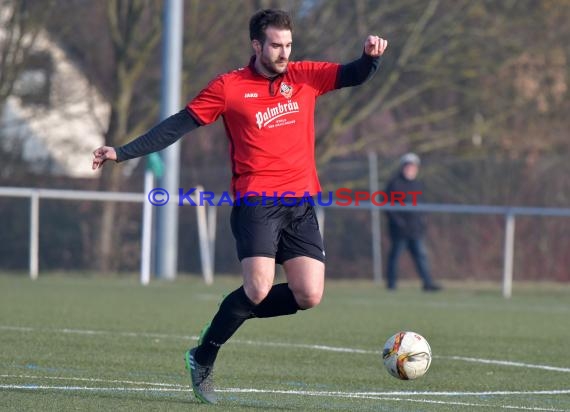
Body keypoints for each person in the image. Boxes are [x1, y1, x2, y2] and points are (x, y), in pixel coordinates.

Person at [92, 9, 388, 404]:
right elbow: (177, 125)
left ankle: (231, 311)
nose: (284, 53)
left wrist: (371, 58)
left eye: (288, 45)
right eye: (276, 45)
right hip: (256, 201)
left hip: (299, 203)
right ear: (256, 45)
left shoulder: (304, 75)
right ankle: (204, 356)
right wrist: (122, 152)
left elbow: (353, 74)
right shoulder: (230, 87)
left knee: (308, 295)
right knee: (259, 286)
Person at [384, 153, 441, 292]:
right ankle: (391, 284)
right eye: (408, 166)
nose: (411, 169)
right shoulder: (395, 183)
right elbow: (387, 205)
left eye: (413, 166)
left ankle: (427, 283)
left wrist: (422, 221)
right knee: (395, 257)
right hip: (400, 231)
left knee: (421, 256)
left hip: (415, 229)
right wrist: (398, 222)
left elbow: (421, 207)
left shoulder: (418, 184)